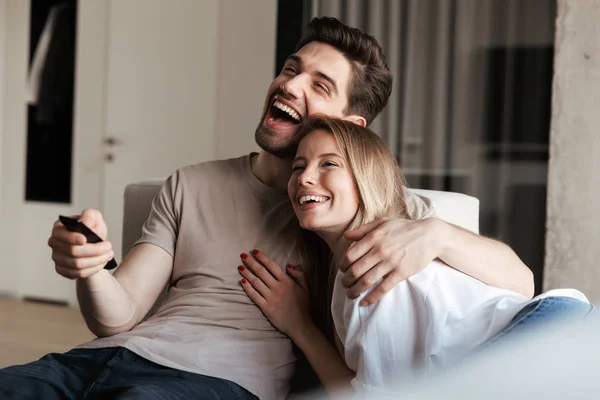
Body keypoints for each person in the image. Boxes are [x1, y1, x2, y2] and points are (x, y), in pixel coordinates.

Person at [0, 17, 533, 400]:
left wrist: (436, 234)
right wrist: (92, 270)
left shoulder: (369, 207)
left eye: (318, 85)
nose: (288, 84)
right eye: (290, 68)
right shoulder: (190, 183)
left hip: (206, 384)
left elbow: (521, 283)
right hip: (91, 362)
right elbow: (117, 316)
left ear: (351, 128)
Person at [237, 115, 593, 395]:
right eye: (298, 167)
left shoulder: (379, 261)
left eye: (328, 164)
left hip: (538, 339)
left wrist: (299, 327)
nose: (305, 178)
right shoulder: (352, 274)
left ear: (365, 179)